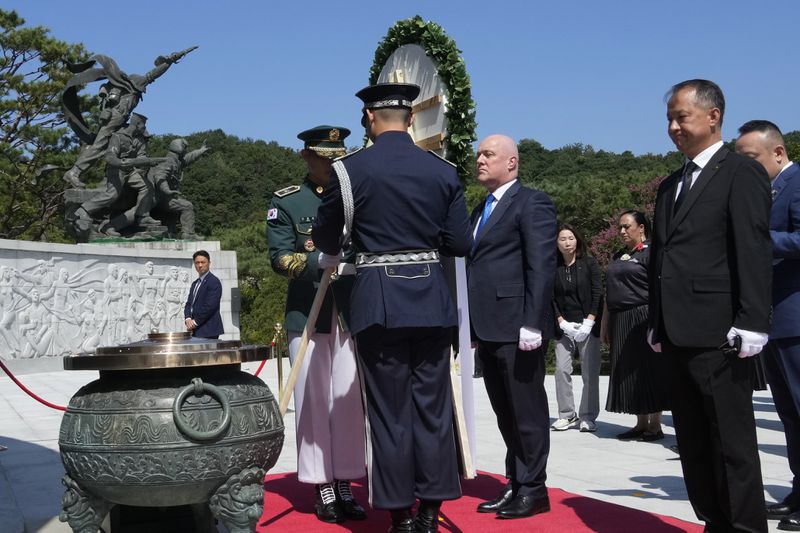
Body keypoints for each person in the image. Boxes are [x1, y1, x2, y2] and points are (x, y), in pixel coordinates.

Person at [312, 83, 471, 533]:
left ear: (368, 117)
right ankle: (430, 510)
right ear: (411, 118)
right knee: (432, 409)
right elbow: (459, 242)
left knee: (389, 411)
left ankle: (401, 513)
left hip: (379, 302)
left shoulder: (348, 171)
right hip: (432, 303)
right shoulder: (443, 170)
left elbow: (326, 239)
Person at [649, 79, 772, 533]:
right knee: (695, 441)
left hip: (721, 332)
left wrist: (753, 321)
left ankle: (745, 527)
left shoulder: (740, 172)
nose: (673, 127)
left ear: (713, 115)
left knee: (731, 442)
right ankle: (713, 521)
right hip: (677, 332)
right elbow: (661, 257)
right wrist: (656, 320)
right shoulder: (669, 186)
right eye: (669, 119)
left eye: (681, 117)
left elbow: (753, 249)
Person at [267, 125, 367, 524]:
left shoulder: (357, 195)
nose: (332, 164)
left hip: (349, 312)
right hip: (308, 312)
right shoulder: (288, 201)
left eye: (337, 157)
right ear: (307, 157)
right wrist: (314, 262)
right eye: (325, 158)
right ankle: (320, 481)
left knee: (347, 400)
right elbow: (277, 257)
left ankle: (345, 479)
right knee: (311, 401)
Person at [468, 134, 557, 520]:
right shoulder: (479, 209)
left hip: (517, 325)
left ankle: (535, 489)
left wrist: (532, 321)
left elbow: (541, 265)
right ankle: (516, 483)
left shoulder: (531, 202)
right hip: (487, 327)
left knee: (527, 411)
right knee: (506, 412)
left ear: (512, 163)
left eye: (488, 154)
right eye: (479, 155)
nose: (480, 160)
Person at [736, 120, 800, 530]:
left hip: (795, 315)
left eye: (751, 159)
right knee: (790, 415)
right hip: (772, 320)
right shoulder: (766, 190)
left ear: (777, 152)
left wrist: (757, 237)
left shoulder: (796, 182)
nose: (747, 168)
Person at [61, 49, 195, 188]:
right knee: (99, 145)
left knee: (119, 143)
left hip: (118, 119)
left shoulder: (122, 89)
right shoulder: (132, 86)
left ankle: (113, 178)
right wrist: (170, 62)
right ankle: (74, 172)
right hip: (115, 118)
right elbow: (152, 75)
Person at [600, 211, 669, 440]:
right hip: (620, 318)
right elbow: (609, 291)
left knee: (649, 370)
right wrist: (605, 323)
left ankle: (655, 424)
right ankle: (640, 422)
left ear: (641, 227)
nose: (621, 231)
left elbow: (660, 288)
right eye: (620, 227)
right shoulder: (619, 254)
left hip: (643, 316)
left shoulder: (651, 252)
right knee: (628, 371)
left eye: (626, 226)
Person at [70, 113, 164, 238]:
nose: (144, 128)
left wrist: (145, 163)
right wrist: (121, 163)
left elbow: (141, 156)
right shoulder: (118, 136)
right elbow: (109, 157)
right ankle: (84, 209)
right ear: (137, 124)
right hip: (116, 169)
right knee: (112, 194)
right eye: (143, 125)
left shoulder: (139, 139)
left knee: (147, 188)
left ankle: (142, 216)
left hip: (131, 170)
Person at [551, 224, 602, 433]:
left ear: (577, 240)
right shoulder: (553, 266)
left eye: (570, 238)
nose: (567, 242)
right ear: (556, 242)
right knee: (561, 369)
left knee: (589, 372)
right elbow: (550, 296)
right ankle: (567, 415)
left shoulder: (589, 263)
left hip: (587, 325)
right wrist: (561, 321)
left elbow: (598, 292)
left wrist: (590, 321)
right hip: (564, 327)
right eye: (562, 239)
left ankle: (588, 416)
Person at [150, 138, 210, 240]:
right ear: (179, 148)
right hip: (161, 198)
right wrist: (167, 190)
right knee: (187, 206)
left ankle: (171, 233)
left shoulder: (176, 161)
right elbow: (159, 176)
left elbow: (188, 159)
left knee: (175, 211)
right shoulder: (168, 161)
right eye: (185, 148)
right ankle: (189, 234)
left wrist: (200, 151)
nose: (186, 150)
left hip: (165, 197)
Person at [183, 250, 223, 339]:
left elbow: (210, 307)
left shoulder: (213, 282)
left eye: (203, 262)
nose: (200, 265)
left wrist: (195, 322)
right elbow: (189, 304)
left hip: (209, 330)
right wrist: (188, 319)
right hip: (195, 330)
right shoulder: (195, 283)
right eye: (197, 262)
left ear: (209, 263)